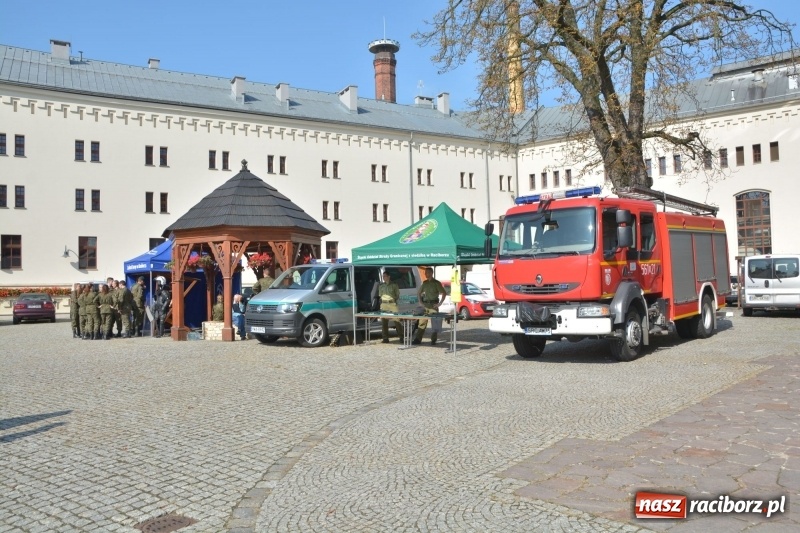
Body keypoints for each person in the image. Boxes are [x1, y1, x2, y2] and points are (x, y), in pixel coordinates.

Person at [414, 267, 447, 345]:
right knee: (422, 322)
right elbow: (418, 293)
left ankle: (433, 340)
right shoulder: (425, 283)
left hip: (433, 305)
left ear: (431, 273)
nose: (425, 274)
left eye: (427, 273)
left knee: (435, 323)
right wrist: (421, 302)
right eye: (425, 273)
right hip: (425, 305)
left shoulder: (436, 283)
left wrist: (440, 303)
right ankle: (418, 339)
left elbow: (444, 293)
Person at [378, 271, 401, 343]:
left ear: (389, 276)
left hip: (392, 303)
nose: (384, 278)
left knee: (397, 320)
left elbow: (397, 295)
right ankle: (385, 338)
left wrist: (392, 301)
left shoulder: (394, 285)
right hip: (384, 304)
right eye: (383, 276)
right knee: (384, 322)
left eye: (385, 276)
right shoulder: (381, 286)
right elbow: (380, 295)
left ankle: (401, 336)